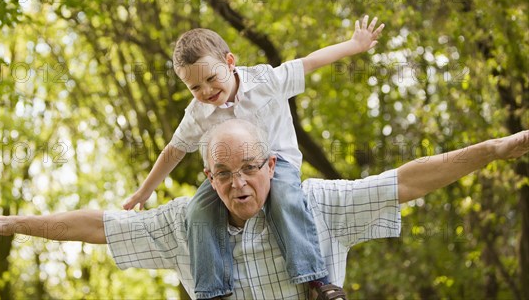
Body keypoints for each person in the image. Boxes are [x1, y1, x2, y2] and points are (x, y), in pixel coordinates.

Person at [0, 119, 529, 299]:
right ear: (209, 179)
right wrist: (12, 224)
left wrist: (496, 149)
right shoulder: (187, 223)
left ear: (273, 167)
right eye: (224, 175)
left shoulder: (314, 204)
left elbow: (404, 182)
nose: (239, 184)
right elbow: (100, 225)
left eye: (249, 170)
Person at [121, 16, 384, 299]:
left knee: (284, 198)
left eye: (211, 78)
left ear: (230, 62)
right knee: (197, 211)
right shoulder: (197, 114)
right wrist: (144, 191)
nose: (206, 91)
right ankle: (213, 291)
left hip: (275, 163)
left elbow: (309, 62)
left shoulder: (265, 81)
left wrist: (353, 45)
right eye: (195, 88)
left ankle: (316, 281)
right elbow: (173, 151)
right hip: (227, 174)